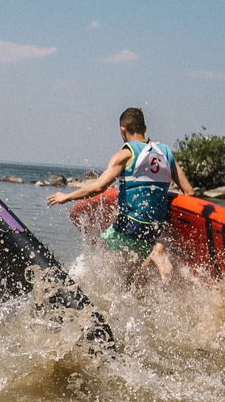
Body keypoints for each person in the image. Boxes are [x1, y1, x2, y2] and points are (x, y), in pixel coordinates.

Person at [47, 108, 198, 283]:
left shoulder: (125, 154)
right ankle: (156, 250)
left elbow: (98, 187)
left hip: (131, 224)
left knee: (102, 251)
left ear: (122, 130)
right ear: (145, 128)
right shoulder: (165, 152)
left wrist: (66, 196)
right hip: (156, 228)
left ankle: (81, 284)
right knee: (135, 277)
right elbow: (189, 192)